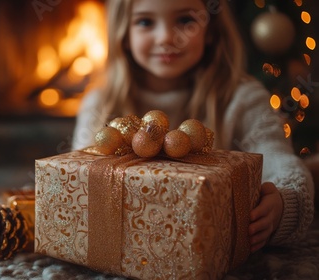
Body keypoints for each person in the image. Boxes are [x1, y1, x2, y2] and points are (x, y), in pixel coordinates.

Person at [71, 0, 315, 253]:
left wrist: (284, 204)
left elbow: (281, 161)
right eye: (145, 22)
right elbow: (82, 177)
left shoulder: (243, 98)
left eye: (185, 21)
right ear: (123, 34)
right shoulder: (101, 102)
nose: (166, 37)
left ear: (210, 30)